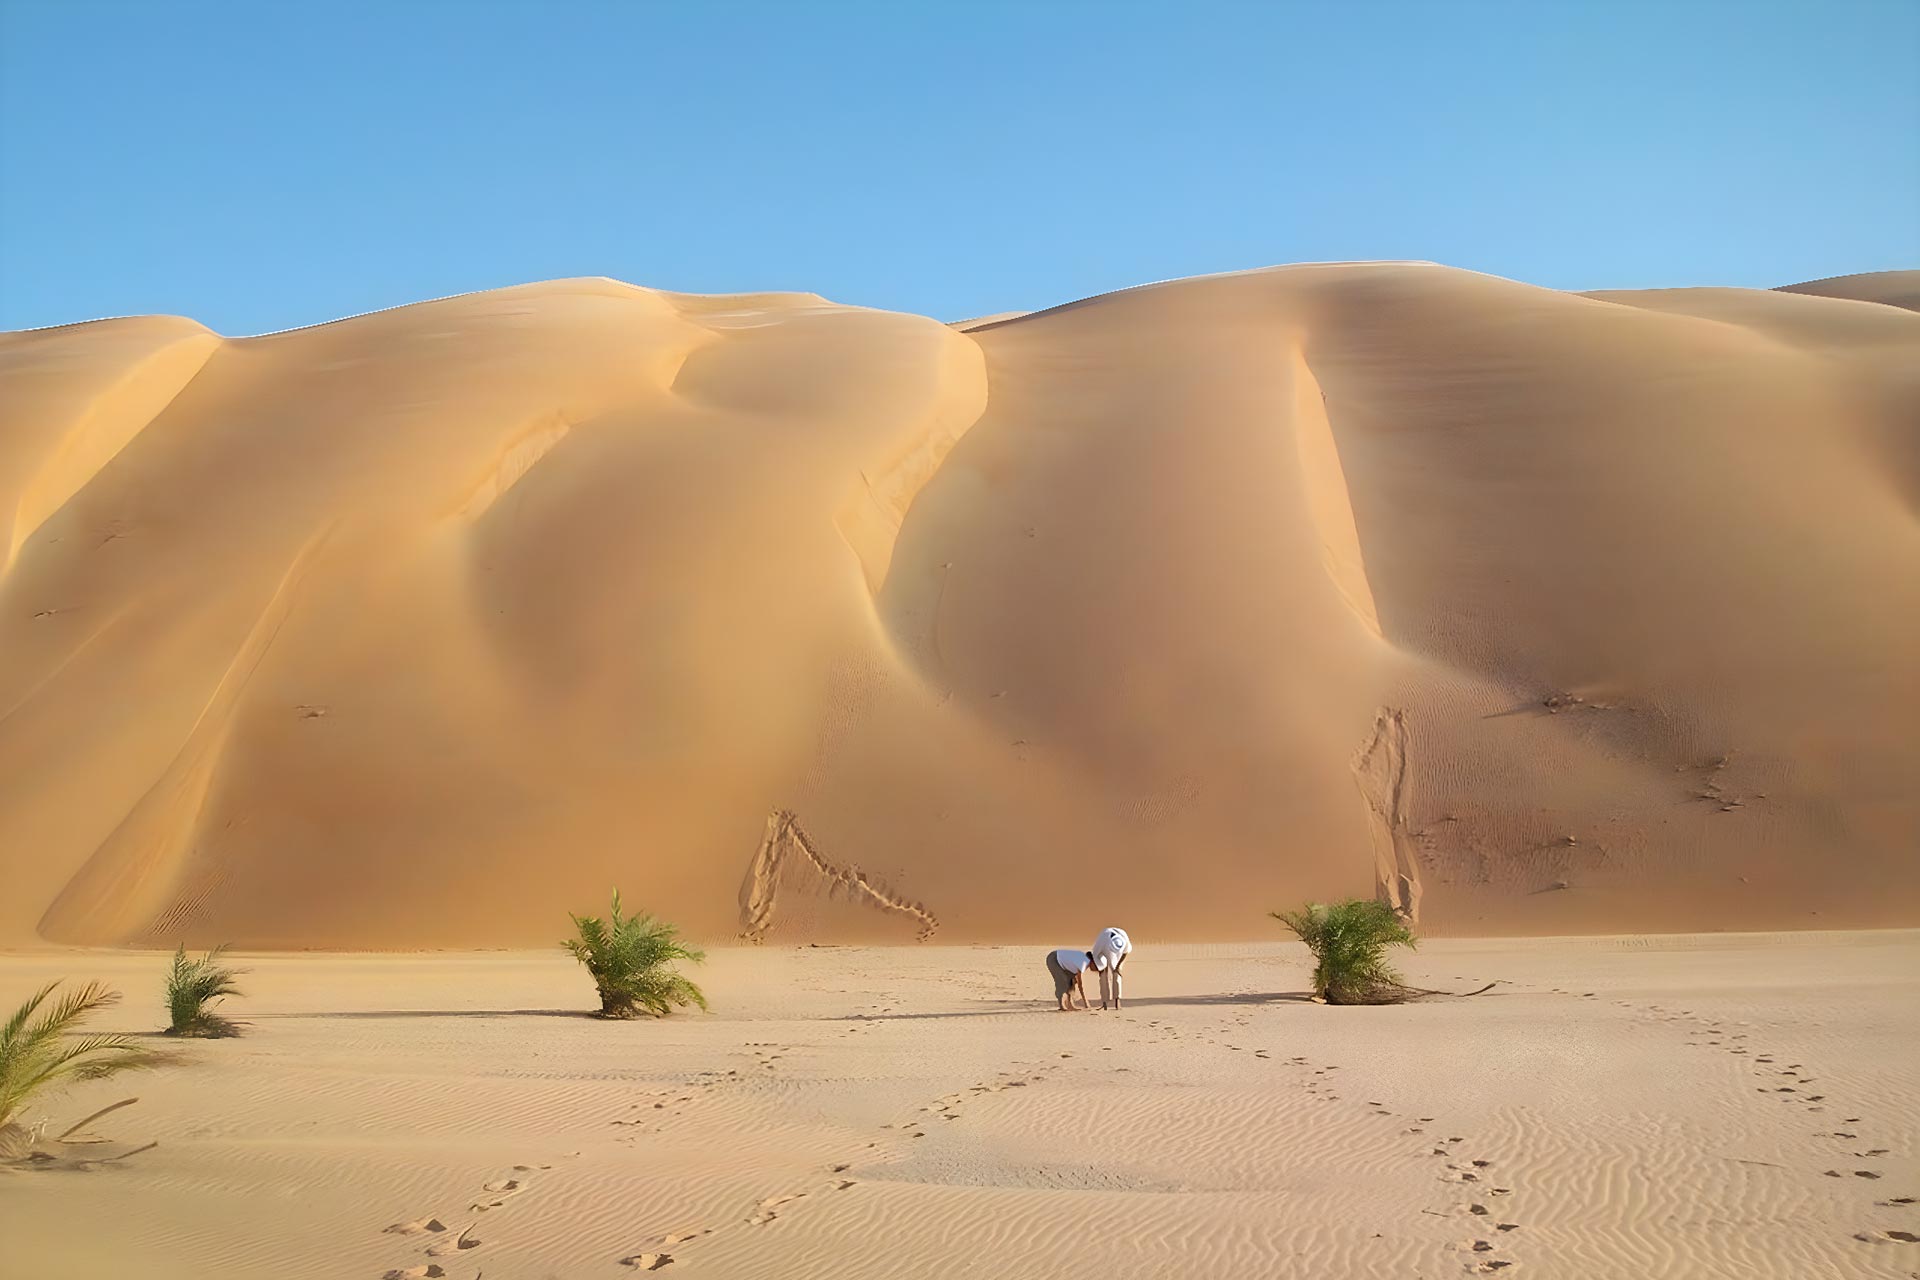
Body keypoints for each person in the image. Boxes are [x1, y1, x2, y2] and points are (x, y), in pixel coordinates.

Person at [1091, 926, 1132, 1009]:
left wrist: (1118, 967)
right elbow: (1095, 955)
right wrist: (1100, 968)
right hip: (1101, 951)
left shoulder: (1123, 939)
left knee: (1116, 972)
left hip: (1115, 947)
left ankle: (1117, 1000)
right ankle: (1104, 1002)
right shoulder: (1101, 942)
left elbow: (1125, 953)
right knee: (1103, 975)